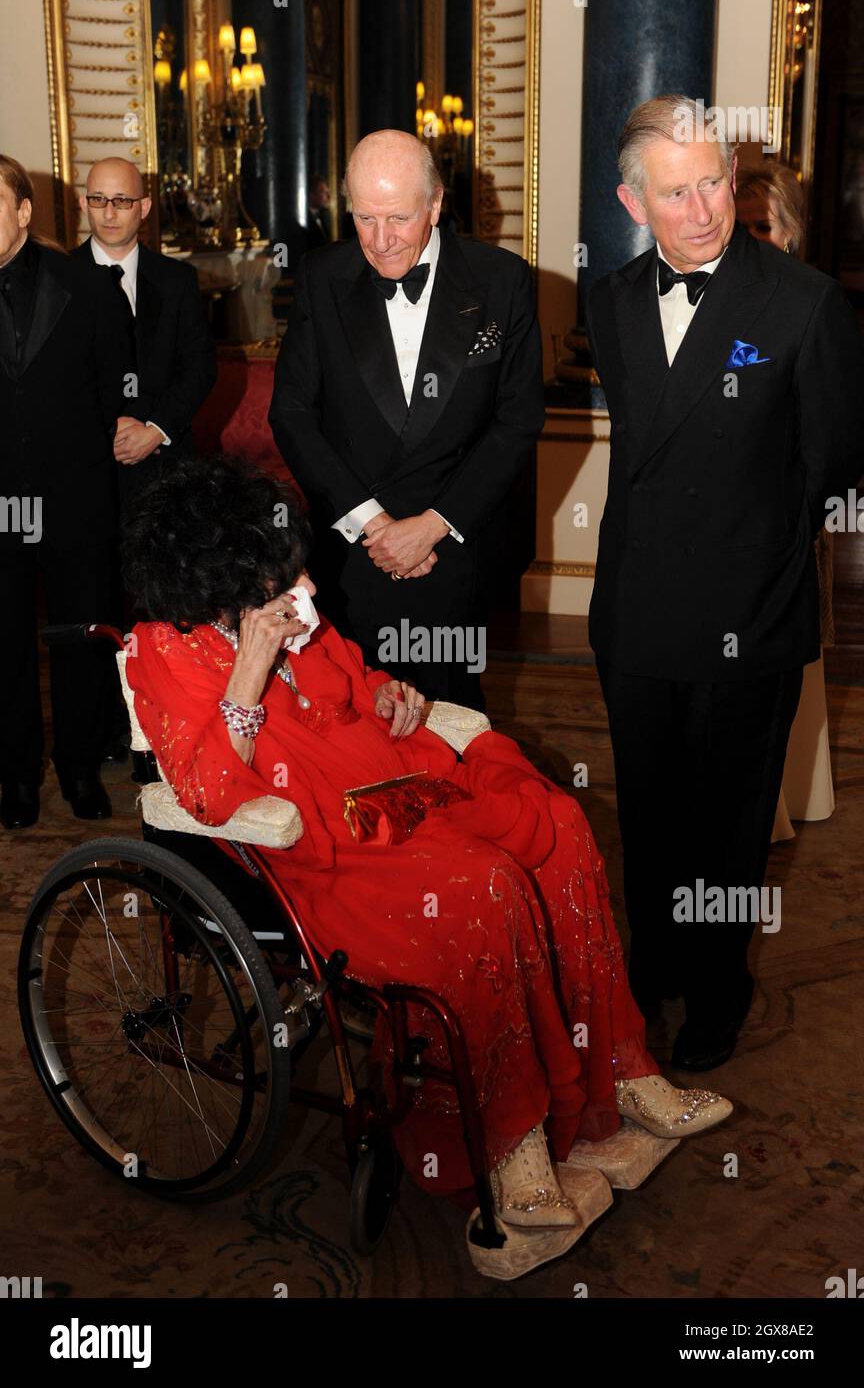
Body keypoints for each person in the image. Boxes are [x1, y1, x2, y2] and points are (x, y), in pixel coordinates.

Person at [122, 453, 732, 1236]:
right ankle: (510, 1145)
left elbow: (355, 679)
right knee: (485, 883)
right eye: (282, 584)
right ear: (220, 587)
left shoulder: (296, 611)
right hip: (315, 854)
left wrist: (390, 695)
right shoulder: (163, 653)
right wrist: (251, 670)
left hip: (393, 790)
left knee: (562, 831)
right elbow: (205, 791)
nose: (306, 593)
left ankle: (623, 1070)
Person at [585, 96, 864, 1071]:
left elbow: (832, 466)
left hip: (749, 613)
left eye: (716, 182)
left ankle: (718, 984)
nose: (702, 210)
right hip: (636, 610)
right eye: (676, 192)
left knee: (731, 825)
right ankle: (654, 961)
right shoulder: (611, 301)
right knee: (650, 811)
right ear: (633, 200)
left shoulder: (804, 302)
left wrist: (760, 550)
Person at [269, 129, 545, 711]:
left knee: (451, 723)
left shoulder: (502, 280)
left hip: (454, 551)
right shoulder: (322, 278)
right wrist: (374, 524)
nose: (381, 240)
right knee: (352, 717)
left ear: (436, 205)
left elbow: (517, 420)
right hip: (352, 551)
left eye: (397, 218)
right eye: (364, 218)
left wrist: (434, 524)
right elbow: (292, 413)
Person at [0, 154, 133, 828]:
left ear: (24, 211)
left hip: (75, 499)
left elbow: (116, 392)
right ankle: (16, 778)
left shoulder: (88, 287)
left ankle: (79, 768)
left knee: (79, 640)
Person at [734, 164, 836, 840]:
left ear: (792, 231)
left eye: (763, 227)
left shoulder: (812, 308)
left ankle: (781, 801)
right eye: (741, 228)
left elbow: (833, 442)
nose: (751, 239)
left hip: (782, 531)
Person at [72, 157, 216, 509]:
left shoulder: (178, 279)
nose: (109, 213)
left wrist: (155, 430)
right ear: (83, 203)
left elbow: (199, 368)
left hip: (166, 465)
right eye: (98, 199)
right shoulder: (59, 280)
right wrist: (105, 433)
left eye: (122, 200)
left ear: (144, 206)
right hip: (84, 469)